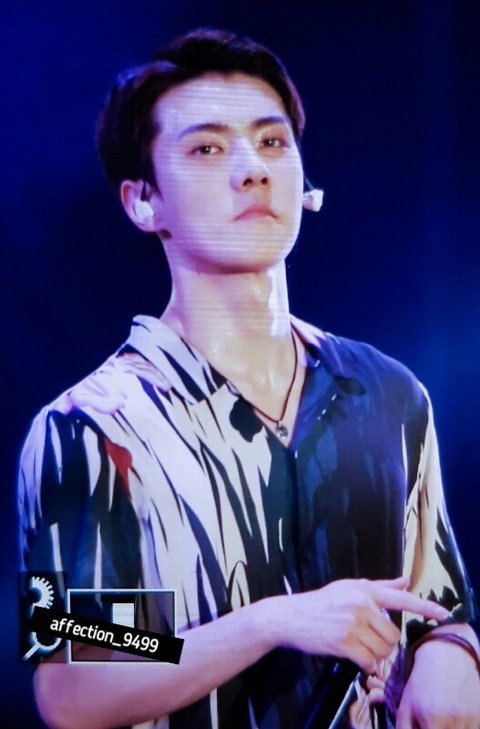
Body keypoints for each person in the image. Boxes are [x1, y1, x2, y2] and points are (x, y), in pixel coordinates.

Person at [18, 28, 479, 729]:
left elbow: (439, 602)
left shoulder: (390, 394)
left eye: (271, 142)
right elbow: (71, 675)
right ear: (143, 202)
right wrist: (267, 623)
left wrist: (453, 651)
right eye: (207, 149)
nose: (252, 169)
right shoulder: (89, 428)